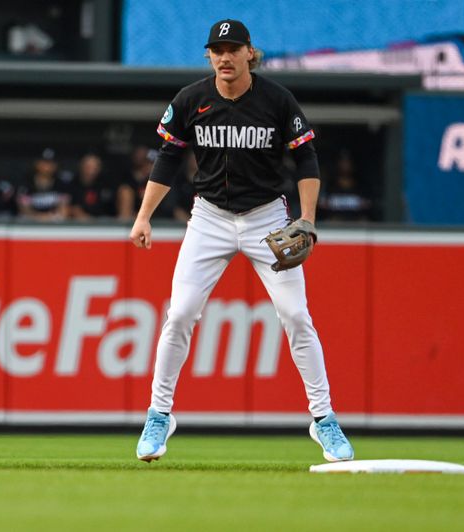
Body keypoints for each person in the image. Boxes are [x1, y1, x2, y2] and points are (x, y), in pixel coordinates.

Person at [130, 19, 354, 463]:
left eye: (233, 48)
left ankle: (324, 420)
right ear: (209, 56)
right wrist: (143, 217)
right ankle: (159, 415)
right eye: (218, 49)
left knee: (295, 315)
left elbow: (306, 156)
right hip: (209, 218)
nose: (225, 56)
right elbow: (168, 159)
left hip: (267, 218)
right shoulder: (191, 99)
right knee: (179, 316)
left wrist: (307, 219)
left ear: (251, 52)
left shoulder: (275, 99)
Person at [16, 148, 71, 221]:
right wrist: (41, 217)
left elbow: (64, 211)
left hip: (55, 226)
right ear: (37, 164)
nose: (47, 167)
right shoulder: (26, 184)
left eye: (50, 163)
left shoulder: (62, 184)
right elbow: (25, 211)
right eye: (44, 162)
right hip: (30, 226)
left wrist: (48, 218)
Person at [318, 149, 371, 222]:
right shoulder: (330, 185)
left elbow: (367, 205)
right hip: (334, 223)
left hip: (357, 223)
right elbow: (322, 205)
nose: (345, 165)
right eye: (342, 162)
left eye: (348, 162)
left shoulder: (361, 185)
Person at [68, 153, 122, 220]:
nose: (91, 171)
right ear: (81, 166)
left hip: (108, 225)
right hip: (82, 226)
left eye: (95, 167)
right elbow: (71, 209)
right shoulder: (71, 185)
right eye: (88, 167)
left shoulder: (107, 185)